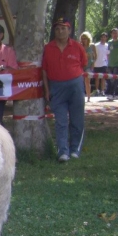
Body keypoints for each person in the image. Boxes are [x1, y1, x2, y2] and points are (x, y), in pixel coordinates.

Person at [42, 18, 87, 163]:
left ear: (69, 30)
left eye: (63, 28)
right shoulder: (48, 48)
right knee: (60, 120)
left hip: (75, 86)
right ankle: (63, 151)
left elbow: (84, 65)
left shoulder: (77, 46)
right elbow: (44, 70)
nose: (60, 31)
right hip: (56, 87)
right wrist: (47, 90)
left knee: (77, 120)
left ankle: (75, 149)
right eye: (57, 29)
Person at [79, 32, 97, 102]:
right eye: (82, 39)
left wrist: (93, 64)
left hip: (88, 66)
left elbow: (94, 57)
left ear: (88, 39)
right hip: (80, 66)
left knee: (87, 81)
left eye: (85, 39)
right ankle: (81, 96)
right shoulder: (80, 46)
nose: (84, 40)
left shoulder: (91, 46)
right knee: (80, 82)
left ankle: (88, 97)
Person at [93, 32, 109, 97]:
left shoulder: (107, 45)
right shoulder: (96, 45)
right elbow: (94, 54)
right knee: (97, 78)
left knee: (103, 78)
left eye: (104, 37)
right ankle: (97, 90)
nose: (103, 38)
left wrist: (108, 63)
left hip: (104, 64)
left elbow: (108, 55)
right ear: (100, 37)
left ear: (106, 38)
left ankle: (102, 91)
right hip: (96, 63)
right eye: (102, 37)